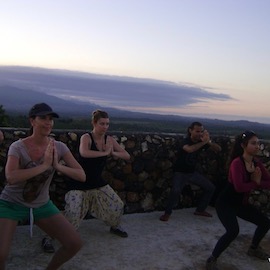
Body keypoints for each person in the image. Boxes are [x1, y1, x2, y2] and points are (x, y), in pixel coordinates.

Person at [0, 103, 86, 270]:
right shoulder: (17, 147)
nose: (48, 123)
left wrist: (58, 166)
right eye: (43, 118)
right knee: (0, 255)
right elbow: (11, 177)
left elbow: (81, 175)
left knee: (74, 243)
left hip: (41, 205)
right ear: (32, 121)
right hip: (11, 204)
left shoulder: (59, 147)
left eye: (51, 119)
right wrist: (43, 166)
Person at [42, 109, 130, 253]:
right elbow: (84, 153)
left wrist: (112, 152)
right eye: (102, 124)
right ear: (94, 123)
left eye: (107, 124)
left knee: (117, 205)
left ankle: (114, 226)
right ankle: (48, 237)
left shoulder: (109, 140)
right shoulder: (86, 137)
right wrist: (104, 153)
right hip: (79, 182)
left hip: (97, 182)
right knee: (73, 214)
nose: (105, 127)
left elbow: (126, 155)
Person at [206, 130, 270, 270]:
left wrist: (257, 182)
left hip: (241, 204)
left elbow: (268, 182)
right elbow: (239, 187)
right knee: (233, 231)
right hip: (225, 204)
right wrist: (256, 182)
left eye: (258, 143)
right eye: (253, 143)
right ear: (243, 145)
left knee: (265, 223)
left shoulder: (256, 163)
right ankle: (212, 259)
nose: (257, 146)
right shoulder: (237, 163)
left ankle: (253, 248)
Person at [160, 121, 221, 222]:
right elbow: (189, 149)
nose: (199, 133)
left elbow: (218, 149)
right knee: (175, 191)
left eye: (201, 131)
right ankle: (167, 213)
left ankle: (200, 210)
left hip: (192, 173)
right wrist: (203, 142)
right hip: (180, 172)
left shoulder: (202, 142)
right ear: (190, 130)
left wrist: (208, 142)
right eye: (197, 131)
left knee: (210, 188)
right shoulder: (185, 141)